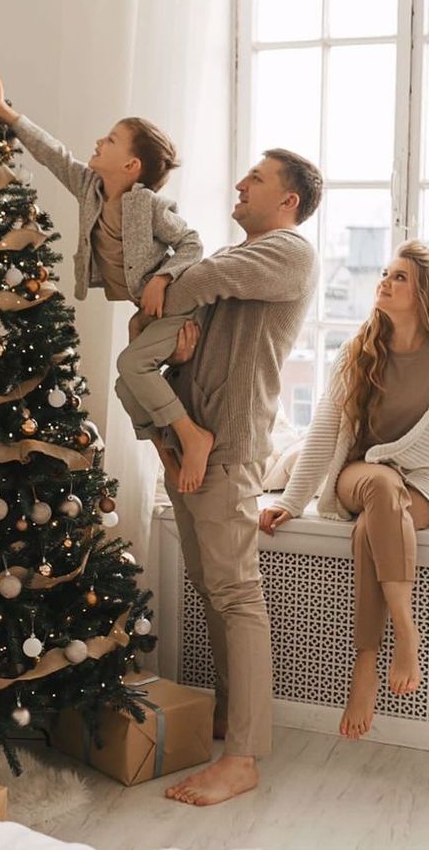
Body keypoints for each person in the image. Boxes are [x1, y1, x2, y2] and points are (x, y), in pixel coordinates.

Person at [260, 239, 429, 741]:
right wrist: (290, 500)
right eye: (384, 274)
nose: (383, 282)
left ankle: (365, 665)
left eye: (399, 277)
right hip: (361, 476)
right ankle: (406, 635)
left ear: (425, 290)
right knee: (382, 491)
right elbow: (323, 431)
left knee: (374, 528)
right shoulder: (359, 348)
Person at [118, 147, 322, 805]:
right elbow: (154, 325)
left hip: (229, 449)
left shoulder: (289, 252)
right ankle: (229, 726)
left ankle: (243, 757)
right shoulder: (242, 264)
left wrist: (171, 290)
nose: (239, 183)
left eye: (256, 179)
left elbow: (189, 286)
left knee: (235, 596)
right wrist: (173, 338)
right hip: (189, 449)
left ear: (288, 201)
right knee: (212, 590)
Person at [0, 75, 213, 493]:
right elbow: (54, 155)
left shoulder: (150, 206)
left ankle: (194, 437)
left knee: (130, 365)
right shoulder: (91, 189)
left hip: (178, 306)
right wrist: (3, 111)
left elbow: (193, 242)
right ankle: (168, 453)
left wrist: (163, 277)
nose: (98, 142)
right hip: (150, 312)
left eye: (110, 140)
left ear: (131, 165)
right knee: (127, 386)